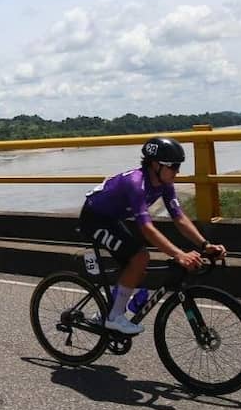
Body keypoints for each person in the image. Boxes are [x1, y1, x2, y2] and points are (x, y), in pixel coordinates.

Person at [79, 136, 227, 335]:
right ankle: (114, 318)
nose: (177, 171)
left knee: (137, 267)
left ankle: (106, 313)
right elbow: (147, 228)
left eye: (179, 166)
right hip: (94, 218)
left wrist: (205, 245)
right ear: (156, 165)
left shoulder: (165, 184)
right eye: (174, 166)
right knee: (140, 257)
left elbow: (179, 218)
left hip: (113, 219)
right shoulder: (136, 183)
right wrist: (179, 254)